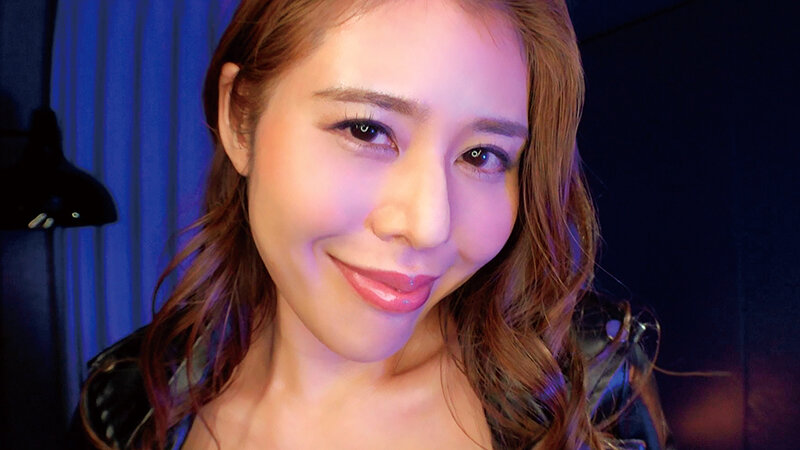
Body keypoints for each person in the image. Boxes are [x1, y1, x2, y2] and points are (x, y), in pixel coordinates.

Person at [71, 0, 671, 448]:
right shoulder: (128, 404)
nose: (429, 225)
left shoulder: (589, 394)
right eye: (366, 129)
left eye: (482, 155)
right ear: (240, 119)